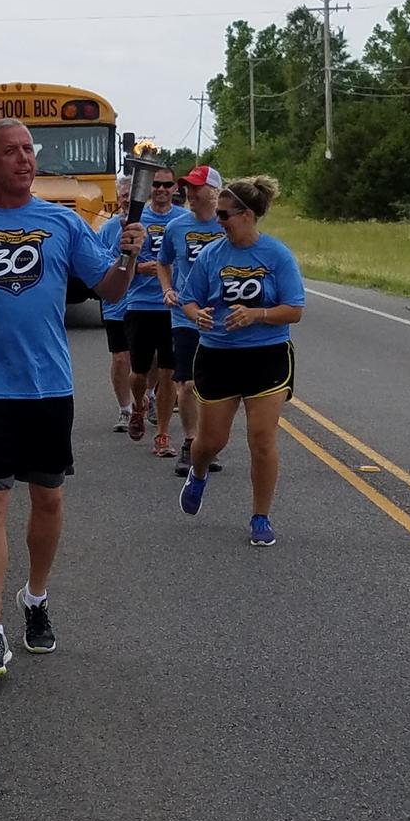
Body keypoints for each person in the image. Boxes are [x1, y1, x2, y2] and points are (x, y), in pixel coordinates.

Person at [0, 117, 146, 681]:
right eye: (12, 151)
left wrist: (129, 256)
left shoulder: (62, 222)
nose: (25, 159)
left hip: (49, 386)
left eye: (28, 151)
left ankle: (34, 598)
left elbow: (109, 288)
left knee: (48, 501)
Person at [178, 175, 305, 546]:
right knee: (210, 441)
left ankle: (260, 516)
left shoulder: (276, 255)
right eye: (218, 215)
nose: (219, 221)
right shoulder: (211, 255)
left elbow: (294, 309)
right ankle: (198, 472)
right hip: (218, 355)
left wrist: (257, 315)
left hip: (267, 356)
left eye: (224, 215)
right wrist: (195, 314)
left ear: (247, 215)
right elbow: (189, 299)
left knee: (262, 440)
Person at [157, 165, 226, 476]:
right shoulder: (176, 226)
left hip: (222, 318)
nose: (190, 193)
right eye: (187, 188)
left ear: (215, 191)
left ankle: (208, 444)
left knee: (215, 387)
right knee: (186, 382)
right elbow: (163, 263)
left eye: (197, 188)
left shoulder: (229, 226)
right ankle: (190, 443)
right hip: (185, 316)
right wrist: (168, 289)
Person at [123, 167, 184, 455]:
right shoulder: (135, 220)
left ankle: (162, 435)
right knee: (138, 371)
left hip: (172, 305)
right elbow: (118, 263)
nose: (160, 189)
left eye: (166, 185)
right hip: (140, 303)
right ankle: (138, 403)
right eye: (156, 184)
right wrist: (140, 267)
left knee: (169, 371)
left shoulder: (183, 220)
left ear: (175, 188)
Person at [98, 177, 134, 431]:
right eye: (123, 196)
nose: (127, 201)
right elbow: (99, 262)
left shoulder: (157, 225)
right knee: (121, 358)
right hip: (116, 304)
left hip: (150, 303)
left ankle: (150, 396)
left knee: (151, 360)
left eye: (132, 196)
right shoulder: (108, 229)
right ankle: (125, 409)